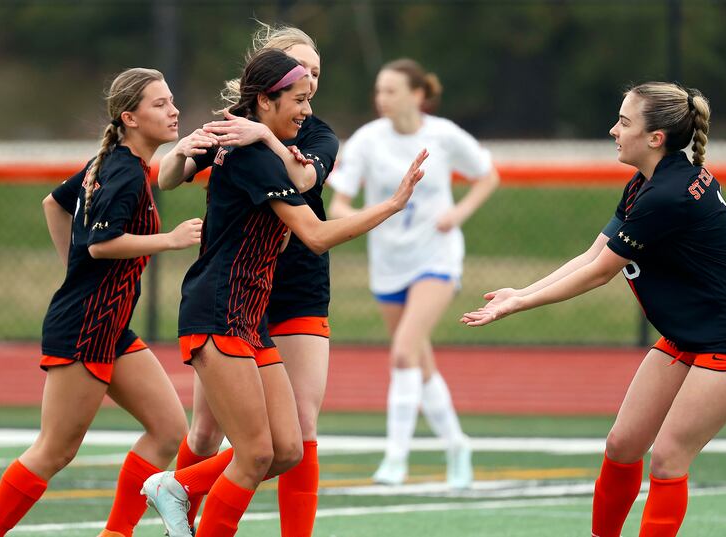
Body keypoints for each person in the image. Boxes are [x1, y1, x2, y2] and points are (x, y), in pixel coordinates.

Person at [461, 82, 726, 537]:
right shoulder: (647, 183)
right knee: (623, 445)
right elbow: (592, 255)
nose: (613, 130)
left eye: (624, 122)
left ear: (655, 138)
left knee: (667, 459)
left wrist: (520, 305)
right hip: (687, 335)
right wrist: (521, 291)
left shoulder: (666, 196)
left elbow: (599, 274)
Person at [142, 48, 427, 537]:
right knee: (253, 453)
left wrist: (271, 140)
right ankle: (176, 496)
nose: (308, 108)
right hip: (218, 311)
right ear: (265, 100)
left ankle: (179, 487)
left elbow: (306, 178)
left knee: (288, 448)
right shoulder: (249, 152)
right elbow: (314, 234)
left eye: (312, 91)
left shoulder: (278, 141)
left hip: (248, 317)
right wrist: (393, 204)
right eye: (299, 96)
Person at [0, 68, 202, 537]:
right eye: (160, 103)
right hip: (84, 327)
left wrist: (74, 272)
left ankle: (115, 534)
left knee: (168, 430)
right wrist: (170, 240)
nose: (173, 109)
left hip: (110, 327)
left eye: (171, 100)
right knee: (56, 450)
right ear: (131, 117)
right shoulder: (122, 172)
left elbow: (53, 204)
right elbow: (101, 246)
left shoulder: (122, 163)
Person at [145, 23, 338, 537]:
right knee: (207, 431)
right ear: (269, 81)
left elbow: (305, 179)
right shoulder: (237, 126)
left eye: (315, 73)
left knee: (296, 430)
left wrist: (268, 136)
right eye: (299, 71)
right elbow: (166, 176)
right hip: (235, 290)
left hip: (294, 284)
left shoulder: (314, 131)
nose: (309, 82)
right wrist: (186, 147)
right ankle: (167, 508)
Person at [328, 58, 499, 489]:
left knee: (404, 352)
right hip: (388, 262)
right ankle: (458, 445)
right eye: (378, 90)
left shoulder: (442, 134)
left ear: (417, 94)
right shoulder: (368, 140)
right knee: (418, 363)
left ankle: (395, 458)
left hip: (435, 257)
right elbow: (340, 204)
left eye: (391, 90)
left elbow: (487, 174)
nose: (381, 98)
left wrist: (457, 213)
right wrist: (363, 215)